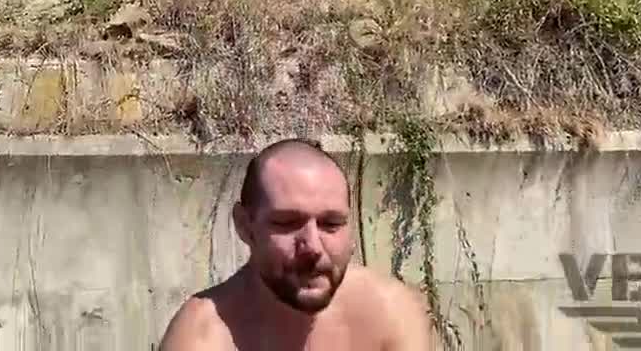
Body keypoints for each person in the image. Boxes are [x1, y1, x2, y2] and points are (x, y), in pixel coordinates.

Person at [158, 138, 435, 350]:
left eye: (331, 224)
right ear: (245, 226)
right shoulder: (202, 336)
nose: (313, 246)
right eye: (287, 223)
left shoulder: (390, 313)